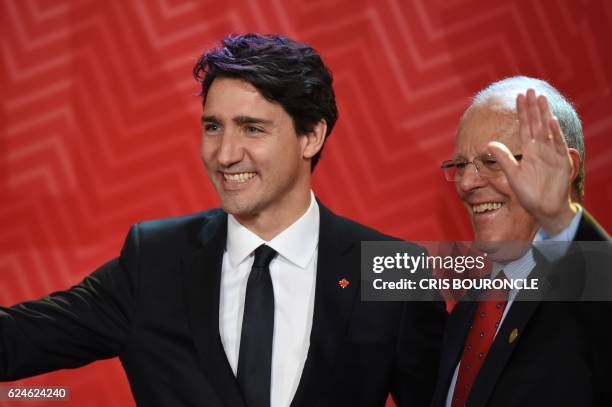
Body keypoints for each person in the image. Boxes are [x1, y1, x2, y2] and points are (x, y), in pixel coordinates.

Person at [0, 33, 446, 407]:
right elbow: (17, 339)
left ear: (311, 136)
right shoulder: (154, 260)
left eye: (252, 128)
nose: (224, 154)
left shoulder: (392, 268)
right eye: (213, 127)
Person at [431, 76, 611, 407]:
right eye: (460, 165)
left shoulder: (585, 305)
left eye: (492, 162)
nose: (466, 183)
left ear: (564, 167)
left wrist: (560, 218)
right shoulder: (468, 312)